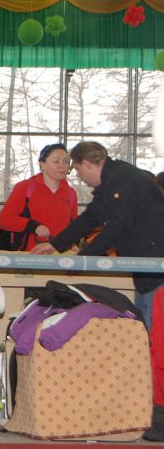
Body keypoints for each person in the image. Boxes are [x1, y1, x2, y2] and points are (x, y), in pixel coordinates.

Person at [31, 141, 164, 329]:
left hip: (156, 269)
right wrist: (55, 244)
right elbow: (91, 217)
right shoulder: (112, 180)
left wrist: (83, 259)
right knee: (144, 330)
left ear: (87, 163)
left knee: (154, 330)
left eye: (77, 169)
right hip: (145, 270)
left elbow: (117, 225)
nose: (78, 176)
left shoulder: (123, 179)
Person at [0, 143, 78, 251]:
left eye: (65, 161)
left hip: (61, 258)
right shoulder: (24, 188)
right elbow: (4, 220)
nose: (62, 165)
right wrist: (33, 226)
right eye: (56, 161)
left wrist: (73, 243)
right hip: (29, 258)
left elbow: (74, 226)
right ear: (42, 164)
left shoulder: (71, 193)